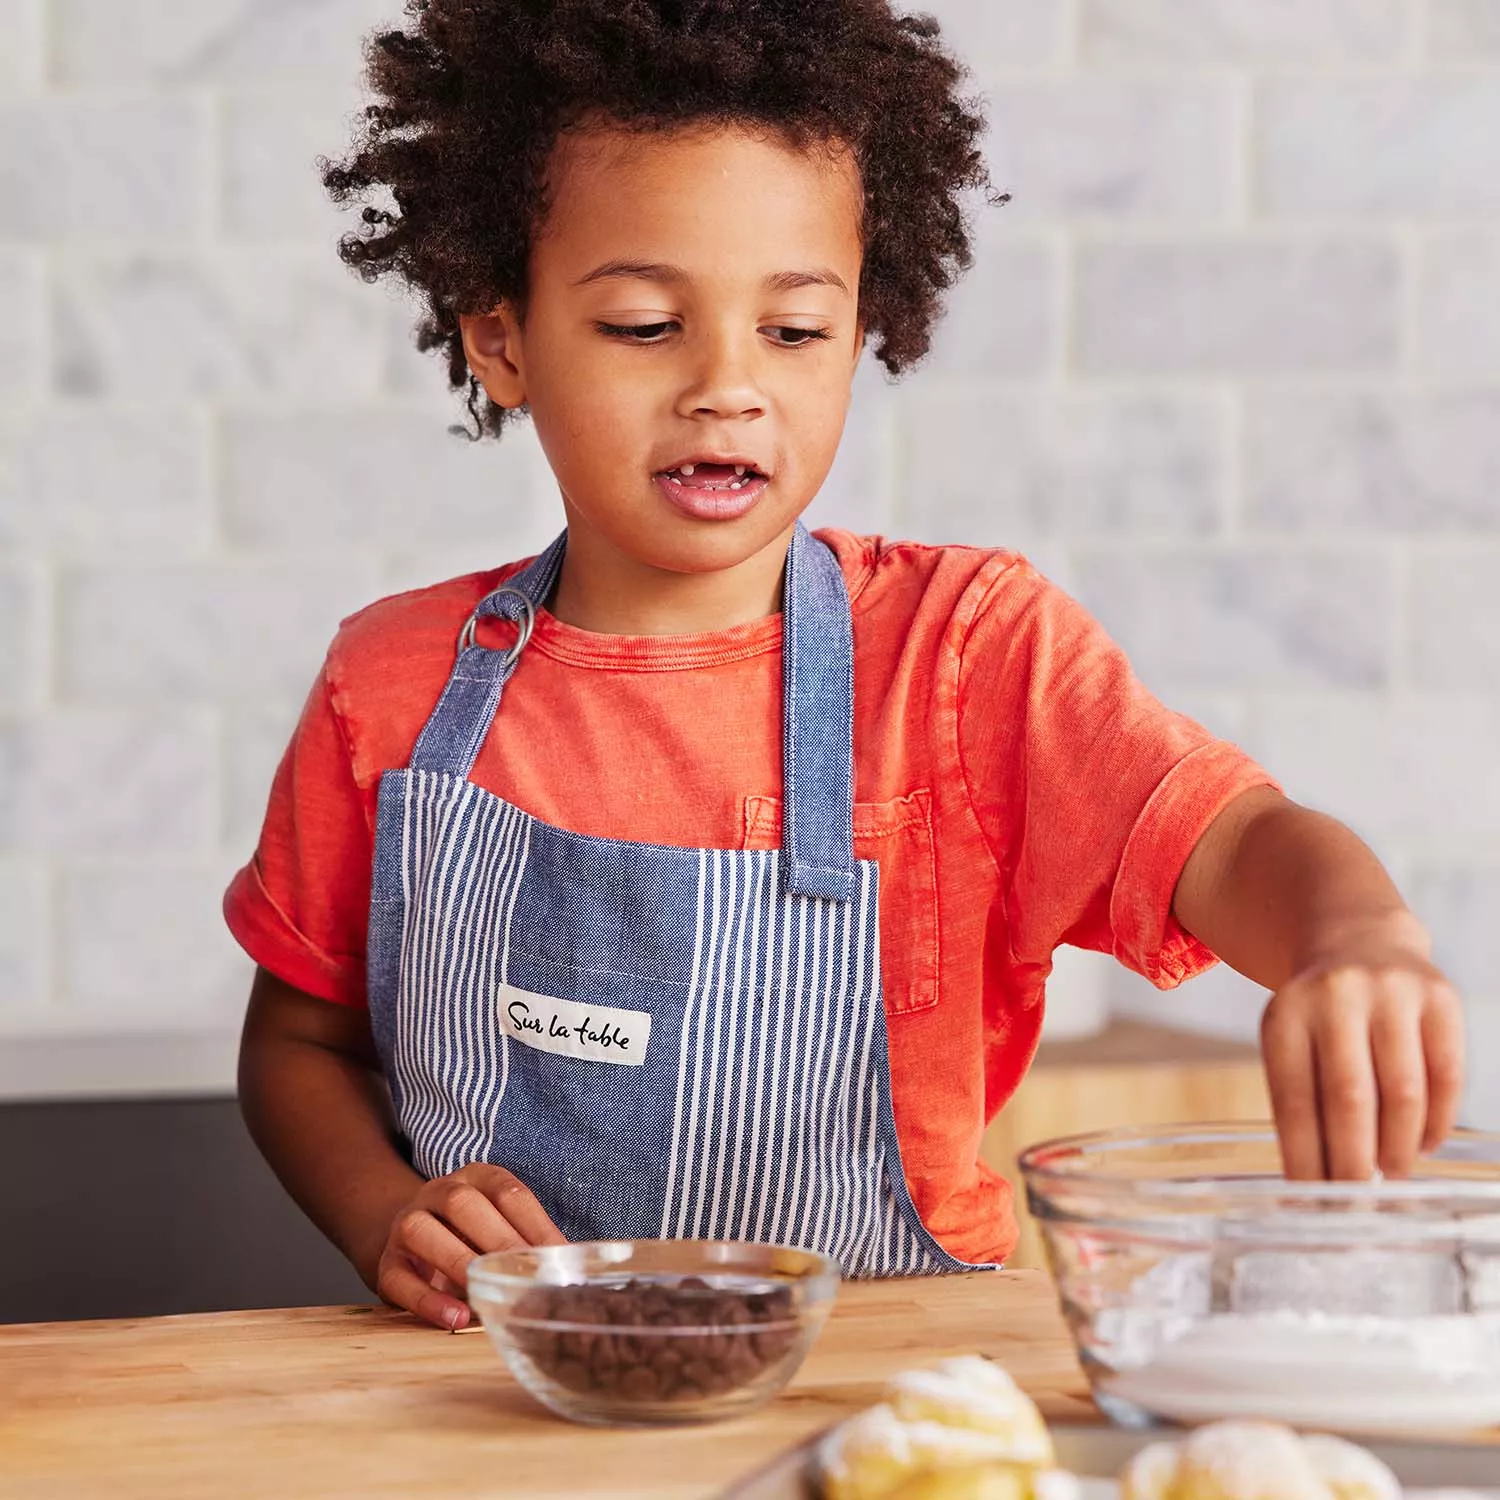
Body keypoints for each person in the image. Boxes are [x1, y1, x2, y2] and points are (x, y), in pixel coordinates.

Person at [227, 0, 1465, 1331]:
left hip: (888, 1397)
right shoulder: (393, 683)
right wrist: (381, 1212)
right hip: (490, 1399)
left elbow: (1232, 847)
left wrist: (1357, 939)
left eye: (795, 331)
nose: (726, 385)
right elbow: (301, 1047)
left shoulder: (969, 655)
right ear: (502, 340)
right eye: (646, 325)